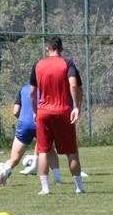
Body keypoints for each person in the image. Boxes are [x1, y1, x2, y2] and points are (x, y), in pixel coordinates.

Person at [30, 36, 85, 195]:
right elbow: (74, 85)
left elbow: (32, 92)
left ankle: (45, 188)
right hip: (63, 111)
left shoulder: (38, 64)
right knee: (71, 152)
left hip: (43, 112)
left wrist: (35, 111)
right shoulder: (67, 63)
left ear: (47, 48)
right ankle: (78, 187)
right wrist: (76, 107)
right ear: (61, 49)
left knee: (43, 151)